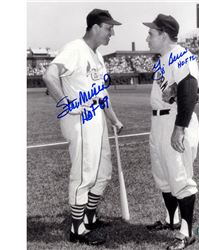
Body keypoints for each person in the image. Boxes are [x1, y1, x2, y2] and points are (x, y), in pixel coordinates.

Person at [43, 9, 123, 245]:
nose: (112, 33)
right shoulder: (75, 48)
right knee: (84, 174)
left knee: (103, 172)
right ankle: (77, 230)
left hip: (97, 116)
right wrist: (64, 102)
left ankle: (89, 217)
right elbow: (49, 75)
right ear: (95, 27)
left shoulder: (97, 56)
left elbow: (102, 93)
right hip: (80, 118)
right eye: (109, 28)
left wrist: (114, 119)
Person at [143, 14, 199, 250]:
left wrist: (179, 129)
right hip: (159, 122)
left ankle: (187, 233)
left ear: (164, 35)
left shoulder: (180, 56)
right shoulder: (163, 60)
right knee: (164, 177)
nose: (147, 38)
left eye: (151, 33)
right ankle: (172, 220)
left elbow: (189, 90)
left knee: (180, 178)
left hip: (174, 123)